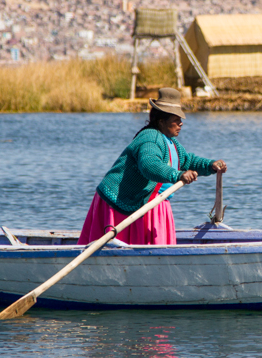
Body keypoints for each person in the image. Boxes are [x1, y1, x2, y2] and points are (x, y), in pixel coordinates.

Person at [78, 87, 226, 246]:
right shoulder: (150, 138)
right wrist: (177, 175)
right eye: (176, 119)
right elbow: (149, 165)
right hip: (119, 200)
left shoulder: (170, 142)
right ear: (162, 121)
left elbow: (187, 161)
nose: (181, 123)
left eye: (180, 119)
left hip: (149, 202)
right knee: (113, 247)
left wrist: (210, 165)